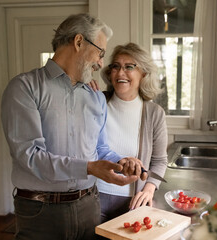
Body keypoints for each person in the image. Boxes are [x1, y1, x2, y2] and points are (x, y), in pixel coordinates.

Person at [1, 13, 145, 240]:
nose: (100, 63)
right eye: (100, 53)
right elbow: (29, 157)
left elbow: (100, 149)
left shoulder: (95, 97)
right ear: (79, 42)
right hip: (40, 211)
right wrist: (89, 168)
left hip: (89, 206)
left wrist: (121, 161)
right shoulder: (24, 88)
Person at [93, 43, 168, 223]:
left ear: (143, 73)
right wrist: (82, 91)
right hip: (93, 197)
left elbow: (159, 161)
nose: (120, 73)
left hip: (133, 203)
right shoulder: (96, 101)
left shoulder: (154, 113)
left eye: (129, 67)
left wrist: (149, 189)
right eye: (116, 66)